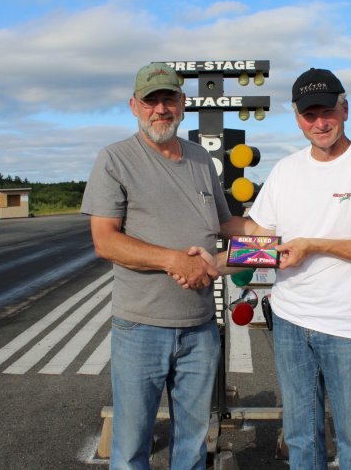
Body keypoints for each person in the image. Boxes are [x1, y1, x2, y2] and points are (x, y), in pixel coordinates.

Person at [176, 67, 351, 469]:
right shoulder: (286, 171)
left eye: (327, 112)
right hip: (291, 323)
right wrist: (215, 262)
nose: (320, 123)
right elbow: (262, 239)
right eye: (309, 114)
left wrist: (314, 245)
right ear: (297, 118)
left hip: (350, 328)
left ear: (345, 109)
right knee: (301, 439)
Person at [80, 62, 239, 469]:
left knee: (193, 444)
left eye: (169, 99)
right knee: (132, 445)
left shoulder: (200, 158)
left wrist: (273, 234)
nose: (161, 109)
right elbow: (105, 241)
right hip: (141, 329)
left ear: (182, 103)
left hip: (200, 328)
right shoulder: (115, 159)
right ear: (134, 106)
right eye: (151, 101)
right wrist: (173, 260)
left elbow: (225, 224)